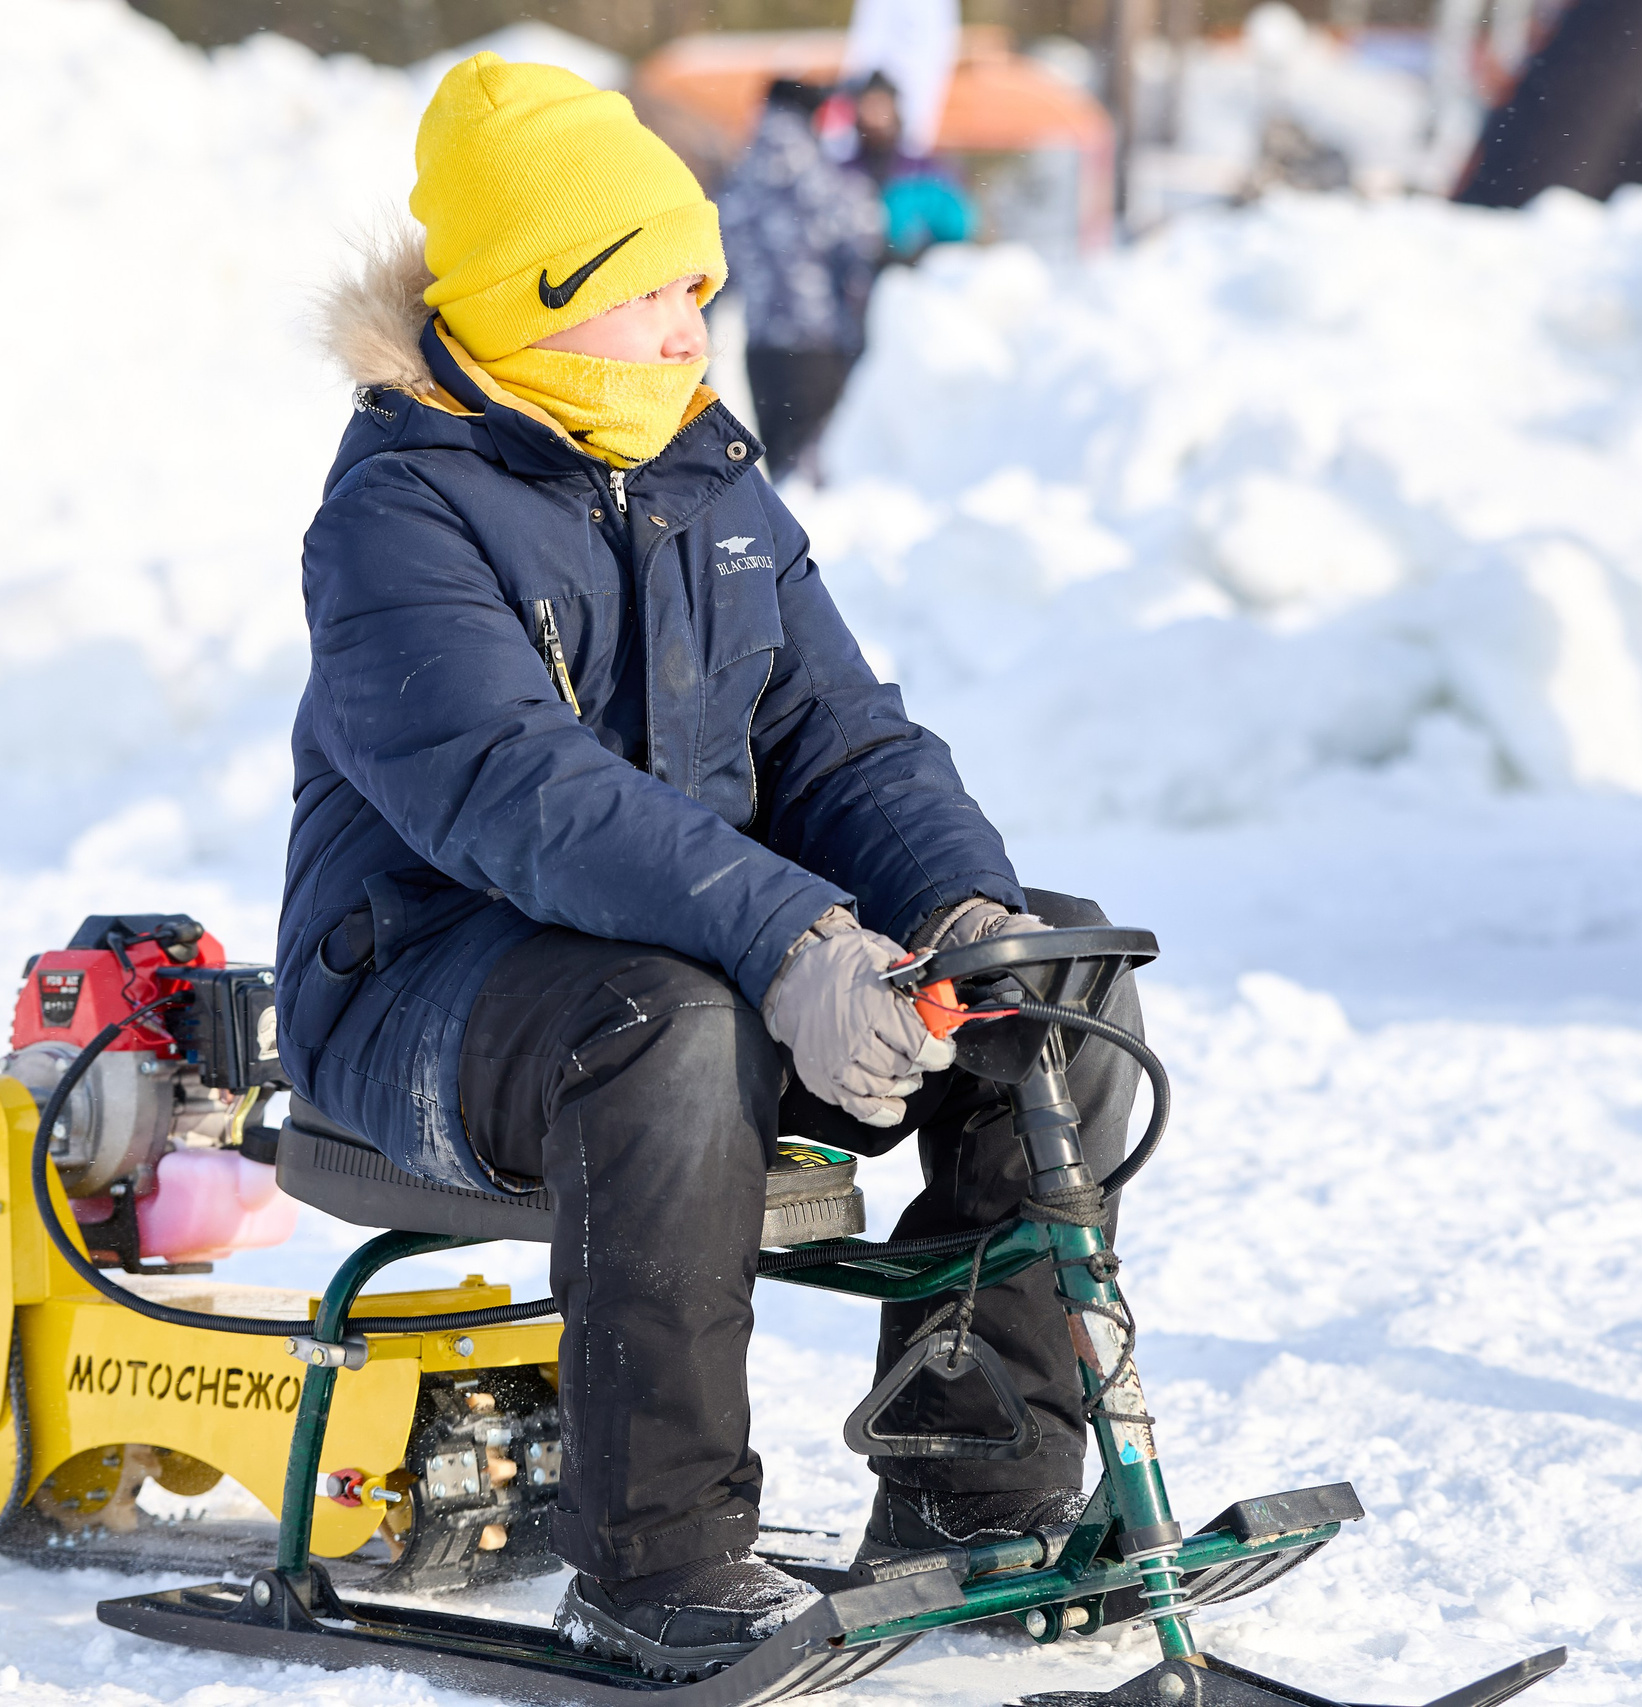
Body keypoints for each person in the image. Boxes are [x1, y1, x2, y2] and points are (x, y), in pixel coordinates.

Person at [279, 53, 1142, 1676]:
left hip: (704, 962)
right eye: (646, 290)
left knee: (1053, 978)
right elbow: (513, 792)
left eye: (697, 283)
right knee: (668, 1026)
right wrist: (793, 937)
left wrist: (955, 910)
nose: (693, 320)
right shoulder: (399, 511)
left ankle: (975, 1487)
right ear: (532, 304)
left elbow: (837, 736)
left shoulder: (704, 470)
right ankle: (654, 1561)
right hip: (422, 1007)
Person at [715, 79, 888, 484]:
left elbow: (715, 269)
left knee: (781, 467)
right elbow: (866, 250)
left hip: (761, 347)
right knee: (819, 470)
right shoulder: (826, 181)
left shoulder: (737, 183)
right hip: (819, 344)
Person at [847, 70, 977, 262]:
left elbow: (959, 229)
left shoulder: (927, 172)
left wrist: (919, 253)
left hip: (916, 282)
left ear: (896, 111)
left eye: (881, 106)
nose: (875, 116)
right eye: (868, 107)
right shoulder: (842, 174)